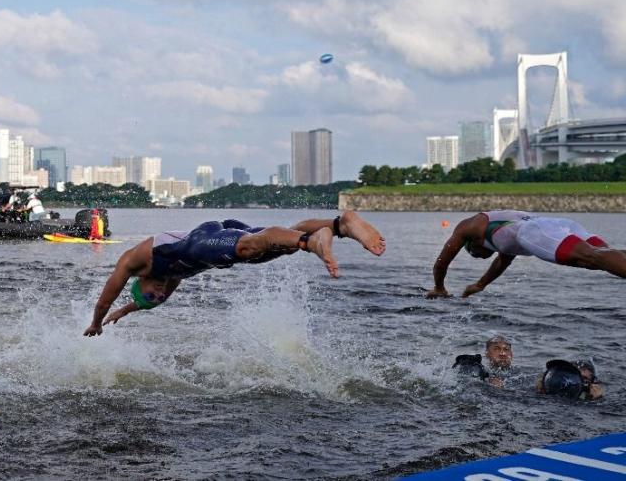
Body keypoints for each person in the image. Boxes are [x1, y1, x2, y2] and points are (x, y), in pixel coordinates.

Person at [83, 211, 386, 336]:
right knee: (273, 247)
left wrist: (97, 322)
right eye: (158, 297)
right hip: (218, 244)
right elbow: (145, 301)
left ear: (140, 282)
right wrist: (126, 311)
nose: (160, 293)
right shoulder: (164, 285)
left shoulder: (133, 263)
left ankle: (311, 242)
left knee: (251, 247)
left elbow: (103, 299)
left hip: (203, 240)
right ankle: (340, 225)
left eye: (152, 293)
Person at [427, 210, 626, 299]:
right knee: (603, 258)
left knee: (593, 257)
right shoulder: (503, 242)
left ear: (472, 244)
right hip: (560, 224)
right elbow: (501, 262)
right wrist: (480, 285)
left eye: (474, 254)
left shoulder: (468, 227)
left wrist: (439, 287)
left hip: (536, 231)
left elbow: (441, 263)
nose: (478, 257)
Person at [536, 359, 604, 400]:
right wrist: (540, 391)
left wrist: (597, 400)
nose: (576, 380)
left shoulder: (586, 401)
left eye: (584, 378)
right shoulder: (545, 391)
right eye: (573, 375)